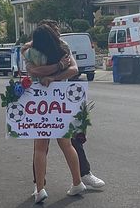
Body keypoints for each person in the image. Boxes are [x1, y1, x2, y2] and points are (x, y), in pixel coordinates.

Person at [21, 19, 105, 195]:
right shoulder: (60, 50)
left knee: (42, 146)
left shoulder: (36, 52)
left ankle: (43, 187)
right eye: (55, 32)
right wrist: (58, 68)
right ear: (50, 35)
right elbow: (68, 69)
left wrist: (50, 75)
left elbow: (34, 69)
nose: (59, 34)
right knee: (63, 144)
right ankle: (69, 182)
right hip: (58, 100)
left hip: (46, 100)